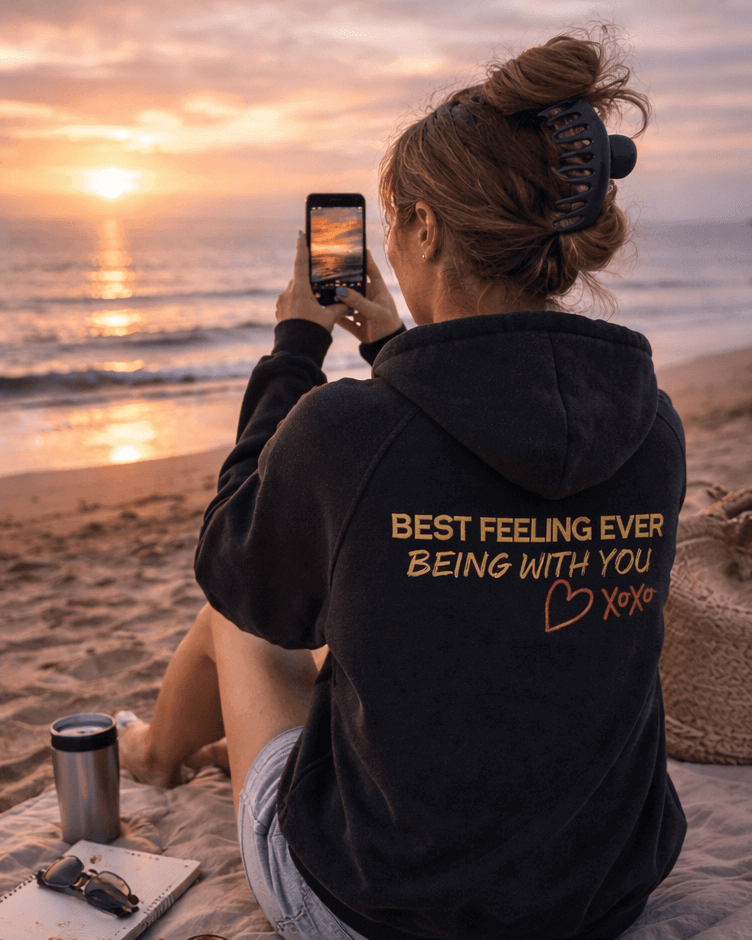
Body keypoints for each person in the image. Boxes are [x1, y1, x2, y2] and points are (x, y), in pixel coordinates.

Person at [120, 27, 687, 940]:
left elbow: (234, 562)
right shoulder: (651, 426)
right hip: (602, 887)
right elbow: (475, 460)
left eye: (394, 223)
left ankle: (150, 754)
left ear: (423, 226)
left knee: (237, 619)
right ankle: (178, 748)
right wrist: (396, 349)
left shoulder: (349, 431)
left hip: (380, 902)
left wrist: (295, 348)